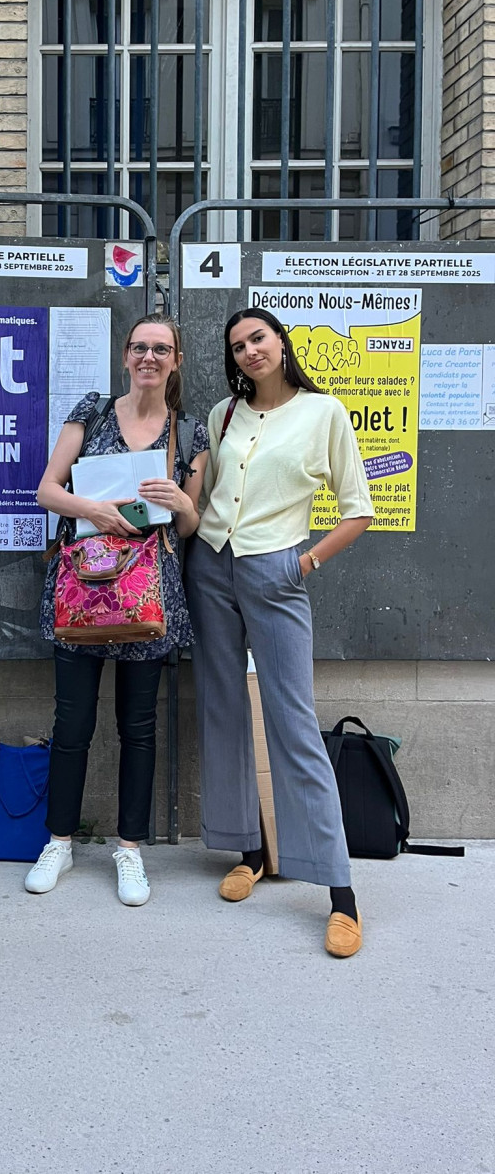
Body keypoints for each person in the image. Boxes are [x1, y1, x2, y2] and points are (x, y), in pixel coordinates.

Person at [184, 306, 373, 958]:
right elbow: (208, 500)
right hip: (210, 565)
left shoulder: (325, 413)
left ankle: (341, 894)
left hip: (277, 568)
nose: (248, 351)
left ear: (281, 341)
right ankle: (252, 851)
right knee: (224, 708)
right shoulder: (223, 416)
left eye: (257, 337)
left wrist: (305, 562)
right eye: (236, 345)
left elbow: (359, 509)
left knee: (293, 720)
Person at [25, 313, 209, 906]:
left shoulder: (190, 433)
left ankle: (129, 850)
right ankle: (59, 840)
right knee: (72, 723)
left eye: (162, 349)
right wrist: (97, 510)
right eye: (140, 347)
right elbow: (47, 490)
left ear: (176, 360)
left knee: (139, 727)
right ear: (126, 356)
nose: (149, 357)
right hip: (85, 591)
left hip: (150, 597)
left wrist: (182, 501)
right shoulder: (92, 411)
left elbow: (190, 526)